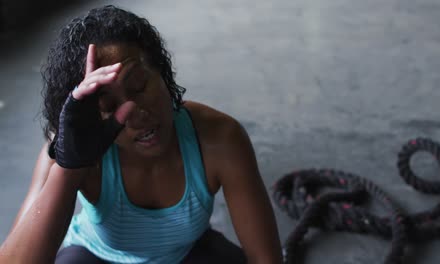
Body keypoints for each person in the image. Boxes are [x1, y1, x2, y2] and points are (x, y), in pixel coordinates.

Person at [0, 5, 282, 264]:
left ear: (162, 72)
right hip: (96, 257)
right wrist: (69, 168)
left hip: (186, 253)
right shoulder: (70, 150)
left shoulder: (219, 139)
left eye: (138, 86)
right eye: (109, 106)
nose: (135, 114)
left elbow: (266, 259)